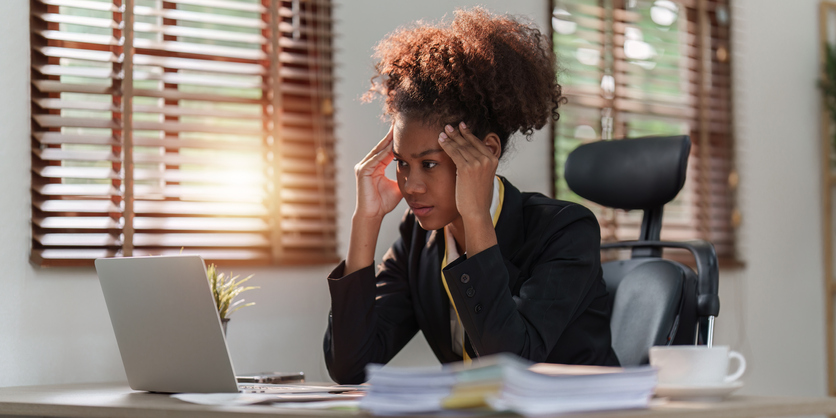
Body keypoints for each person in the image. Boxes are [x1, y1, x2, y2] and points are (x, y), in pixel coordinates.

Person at [323, 7, 619, 384]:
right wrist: (365, 222)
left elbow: (512, 363)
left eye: (429, 164)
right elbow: (349, 367)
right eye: (401, 163)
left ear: (487, 152)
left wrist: (476, 219)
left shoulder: (564, 231)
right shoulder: (418, 240)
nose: (411, 185)